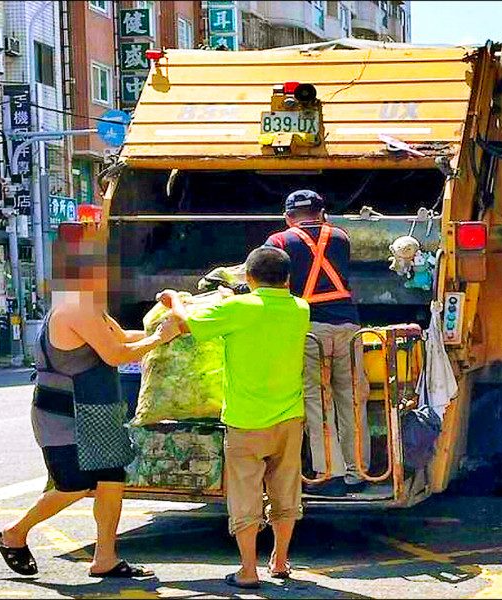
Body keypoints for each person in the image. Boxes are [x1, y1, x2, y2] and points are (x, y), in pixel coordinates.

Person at [0, 221, 180, 578]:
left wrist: (168, 330)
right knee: (74, 484)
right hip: (64, 412)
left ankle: (105, 557)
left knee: (111, 478)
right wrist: (159, 339)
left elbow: (122, 336)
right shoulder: (75, 306)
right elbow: (114, 354)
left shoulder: (89, 304)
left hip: (97, 410)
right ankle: (14, 534)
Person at [158, 246, 309, 590]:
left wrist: (173, 301)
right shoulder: (300, 308)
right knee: (285, 492)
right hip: (289, 418)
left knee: (245, 494)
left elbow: (184, 324)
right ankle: (281, 561)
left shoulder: (237, 309)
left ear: (250, 278)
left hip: (246, 421)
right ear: (288, 279)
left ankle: (248, 570)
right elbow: (262, 306)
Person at [265, 189, 370, 497]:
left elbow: (270, 282)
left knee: (317, 400)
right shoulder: (341, 237)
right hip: (349, 326)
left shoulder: (279, 242)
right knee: (352, 398)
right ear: (322, 213)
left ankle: (329, 474)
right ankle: (357, 471)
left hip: (310, 328)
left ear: (287, 217)